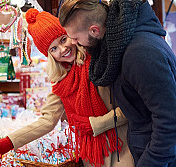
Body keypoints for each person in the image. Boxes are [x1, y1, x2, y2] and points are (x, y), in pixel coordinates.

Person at [0, 8, 134, 167]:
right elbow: (47, 121)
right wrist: (7, 143)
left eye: (62, 39)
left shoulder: (99, 62)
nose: (63, 50)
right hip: (92, 158)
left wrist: (95, 124)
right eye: (53, 49)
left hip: (122, 149)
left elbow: (131, 107)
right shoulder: (62, 81)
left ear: (70, 34)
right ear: (49, 56)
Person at [58, 0, 176, 166]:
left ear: (94, 30)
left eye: (75, 38)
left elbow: (169, 120)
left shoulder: (140, 54)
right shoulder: (119, 48)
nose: (73, 43)